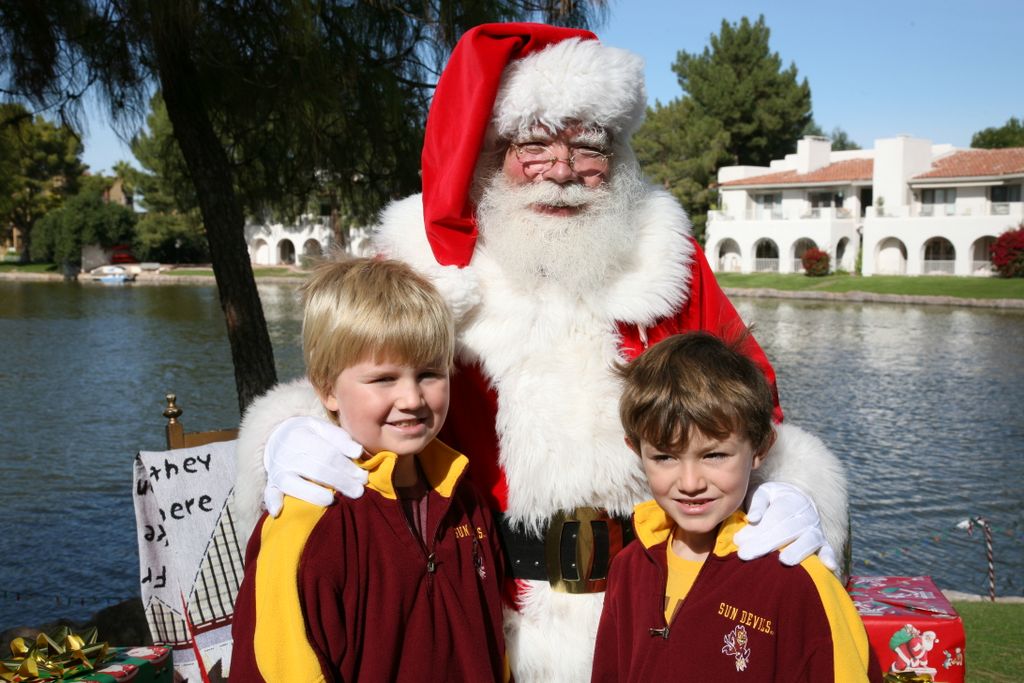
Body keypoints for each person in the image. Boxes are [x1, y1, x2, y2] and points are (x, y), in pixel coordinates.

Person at [234, 23, 849, 682]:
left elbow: (754, 399)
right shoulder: (428, 261)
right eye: (533, 144)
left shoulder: (668, 260)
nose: (560, 171)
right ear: (490, 149)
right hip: (483, 606)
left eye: (587, 146)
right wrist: (290, 434)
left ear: (618, 152)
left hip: (645, 604)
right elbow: (353, 372)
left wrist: (790, 490)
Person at [230, 258, 507, 682]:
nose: (412, 398)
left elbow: (491, 644)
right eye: (383, 379)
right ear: (327, 389)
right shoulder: (307, 519)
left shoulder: (466, 499)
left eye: (430, 373)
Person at [592, 332, 871, 681]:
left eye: (714, 455)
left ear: (759, 448)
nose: (690, 482)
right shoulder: (629, 566)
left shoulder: (799, 581)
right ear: (636, 452)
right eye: (664, 457)